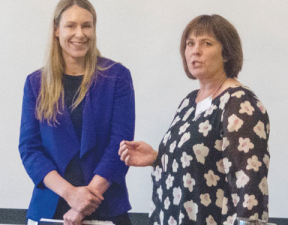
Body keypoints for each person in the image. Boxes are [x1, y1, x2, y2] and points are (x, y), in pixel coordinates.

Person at [119, 14, 269, 225]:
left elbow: (250, 182)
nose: (195, 50)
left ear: (226, 53)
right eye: (190, 44)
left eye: (206, 43)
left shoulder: (239, 103)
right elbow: (202, 160)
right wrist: (158, 157)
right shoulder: (189, 102)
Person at [18, 0, 135, 225]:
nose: (80, 34)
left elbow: (120, 146)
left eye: (86, 26)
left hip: (105, 206)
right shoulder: (36, 83)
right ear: (56, 30)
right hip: (50, 208)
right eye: (71, 26)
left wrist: (83, 203)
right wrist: (71, 194)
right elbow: (29, 149)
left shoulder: (117, 77)